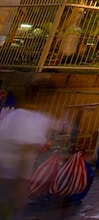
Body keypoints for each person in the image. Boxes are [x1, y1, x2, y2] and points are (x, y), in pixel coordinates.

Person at [0, 90, 51, 220]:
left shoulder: (13, 114)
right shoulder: (37, 118)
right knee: (13, 205)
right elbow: (25, 148)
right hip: (15, 172)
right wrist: (20, 180)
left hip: (5, 169)